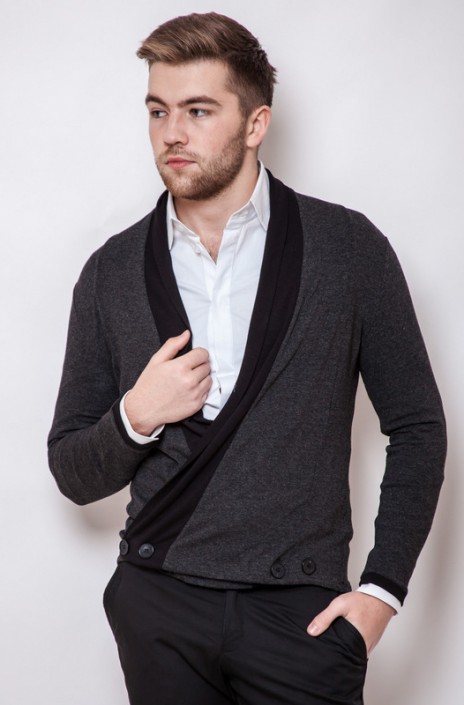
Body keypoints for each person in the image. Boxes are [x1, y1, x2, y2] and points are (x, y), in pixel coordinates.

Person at [48, 12, 446, 705]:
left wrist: (382, 591)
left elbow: (417, 426)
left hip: (301, 614)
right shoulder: (111, 272)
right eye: (158, 111)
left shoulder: (348, 250)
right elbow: (72, 472)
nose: (172, 133)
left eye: (198, 111)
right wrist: (136, 415)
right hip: (160, 605)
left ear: (256, 123)